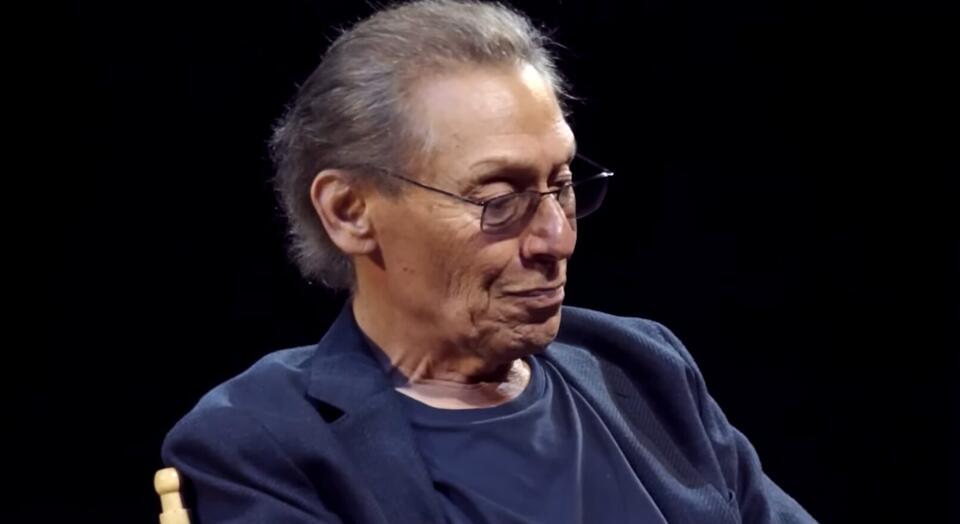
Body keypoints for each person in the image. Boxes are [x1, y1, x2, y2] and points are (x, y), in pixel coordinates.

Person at [162, 1, 817, 522]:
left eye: (563, 184)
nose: (556, 239)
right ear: (350, 211)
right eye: (500, 200)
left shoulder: (642, 367)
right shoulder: (262, 442)